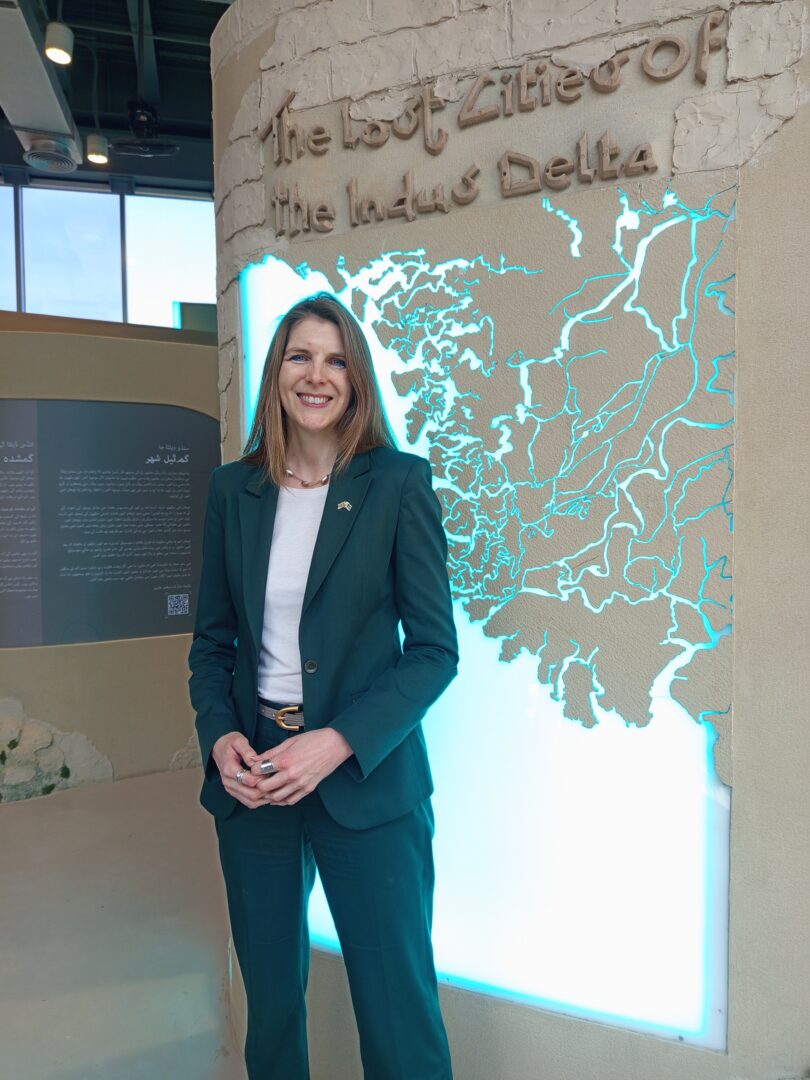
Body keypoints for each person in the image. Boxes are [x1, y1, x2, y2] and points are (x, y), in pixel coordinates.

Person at [188, 292, 458, 1079]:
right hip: (255, 783)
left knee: (398, 1020)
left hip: (366, 783)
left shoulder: (398, 484)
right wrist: (220, 736)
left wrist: (334, 742)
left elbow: (434, 652)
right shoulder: (233, 491)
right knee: (271, 1014)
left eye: (336, 360)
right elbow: (211, 643)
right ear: (276, 373)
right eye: (300, 356)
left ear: (356, 378)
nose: (317, 375)